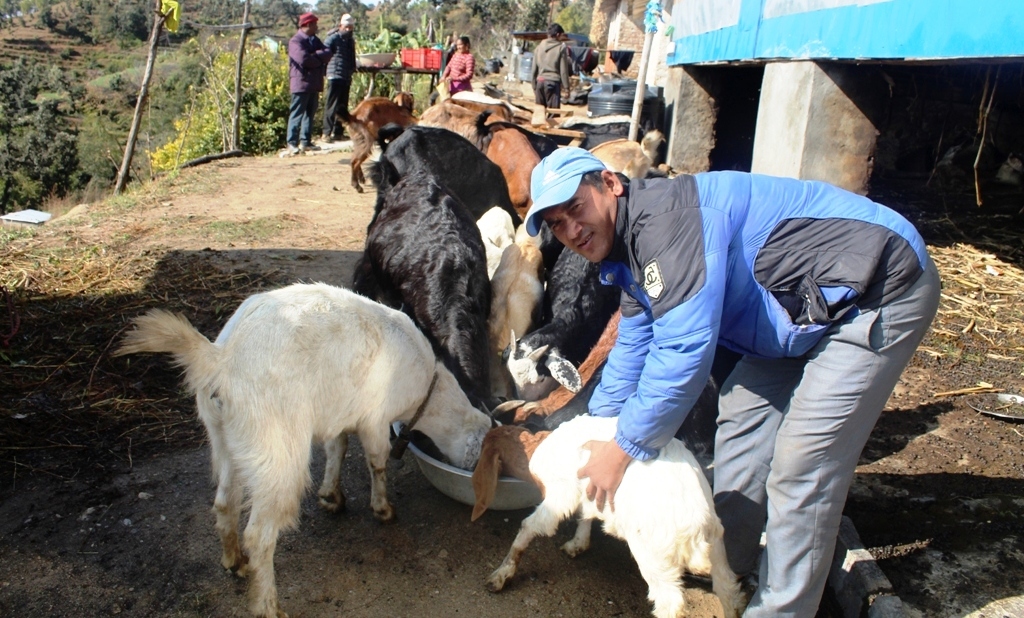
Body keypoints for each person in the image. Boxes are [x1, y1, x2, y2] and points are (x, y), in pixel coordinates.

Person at [523, 148, 940, 617]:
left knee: (803, 464)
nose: (572, 230)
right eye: (557, 224)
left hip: (874, 286)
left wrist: (622, 449)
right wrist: (593, 432)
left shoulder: (666, 225)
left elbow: (683, 353)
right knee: (740, 413)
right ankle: (729, 560)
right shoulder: (628, 250)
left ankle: (782, 609)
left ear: (610, 183)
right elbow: (634, 348)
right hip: (798, 312)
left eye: (576, 209)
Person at [286, 12, 332, 155]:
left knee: (309, 114)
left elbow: (328, 52)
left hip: (314, 83)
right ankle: (292, 143)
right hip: (301, 83)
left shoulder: (314, 40)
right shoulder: (296, 41)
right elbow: (304, 59)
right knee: (297, 113)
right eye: (315, 24)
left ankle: (306, 142)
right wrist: (319, 58)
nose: (317, 27)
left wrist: (315, 56)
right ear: (308, 25)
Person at [321, 13, 356, 143]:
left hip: (346, 76)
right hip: (334, 75)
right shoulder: (332, 39)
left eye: (350, 27)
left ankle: (338, 132)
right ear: (341, 26)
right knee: (332, 105)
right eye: (346, 27)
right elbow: (324, 55)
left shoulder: (350, 41)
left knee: (342, 106)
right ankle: (326, 133)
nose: (348, 29)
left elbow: (351, 58)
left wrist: (352, 69)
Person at [531, 23, 572, 109]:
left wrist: (534, 86)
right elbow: (563, 70)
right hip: (553, 83)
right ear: (557, 35)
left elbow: (534, 69)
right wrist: (566, 88)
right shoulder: (561, 48)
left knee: (539, 114)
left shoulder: (539, 47)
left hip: (540, 82)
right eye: (561, 36)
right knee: (553, 115)